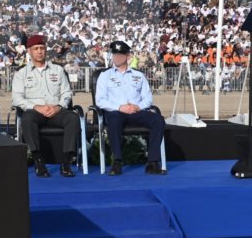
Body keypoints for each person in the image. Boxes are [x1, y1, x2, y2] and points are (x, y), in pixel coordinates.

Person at [95, 40, 166, 176]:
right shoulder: (105, 76)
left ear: (128, 56)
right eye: (114, 54)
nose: (116, 57)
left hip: (136, 111)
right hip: (116, 112)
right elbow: (100, 100)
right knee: (114, 120)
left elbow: (148, 98)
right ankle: (117, 161)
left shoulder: (138, 76)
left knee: (158, 119)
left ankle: (152, 162)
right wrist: (120, 107)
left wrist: (138, 106)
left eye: (120, 55)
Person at [12, 35, 79, 178]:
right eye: (35, 49)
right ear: (29, 51)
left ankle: (66, 162)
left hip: (56, 110)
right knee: (27, 118)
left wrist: (59, 106)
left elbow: (67, 93)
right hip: (35, 111)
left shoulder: (58, 70)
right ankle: (39, 161)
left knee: (73, 118)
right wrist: (36, 107)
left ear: (46, 50)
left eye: (42, 48)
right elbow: (17, 98)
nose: (39, 51)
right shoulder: (21, 73)